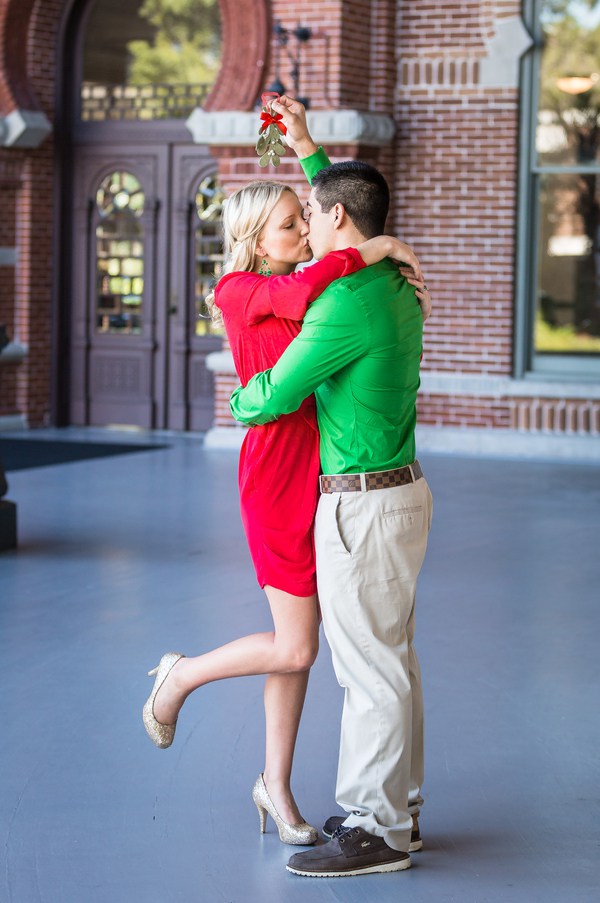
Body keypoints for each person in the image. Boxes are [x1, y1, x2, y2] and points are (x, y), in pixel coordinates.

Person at [142, 175, 429, 847]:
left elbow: (342, 209)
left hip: (323, 470)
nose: (303, 233)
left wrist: (359, 231)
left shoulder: (315, 278)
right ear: (250, 239)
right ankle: (180, 674)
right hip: (276, 471)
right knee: (298, 643)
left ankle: (276, 781)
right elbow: (306, 284)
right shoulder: (237, 290)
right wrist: (377, 245)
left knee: (297, 649)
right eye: (287, 226)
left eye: (305, 221)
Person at [229, 97, 434, 878]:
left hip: (360, 505)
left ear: (337, 222)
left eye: (309, 216)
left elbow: (274, 395)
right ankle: (402, 808)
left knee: (370, 669)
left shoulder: (345, 303)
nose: (306, 227)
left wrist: (242, 401)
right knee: (397, 661)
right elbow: (341, 203)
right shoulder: (392, 283)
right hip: (403, 491)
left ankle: (377, 829)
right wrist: (311, 149)